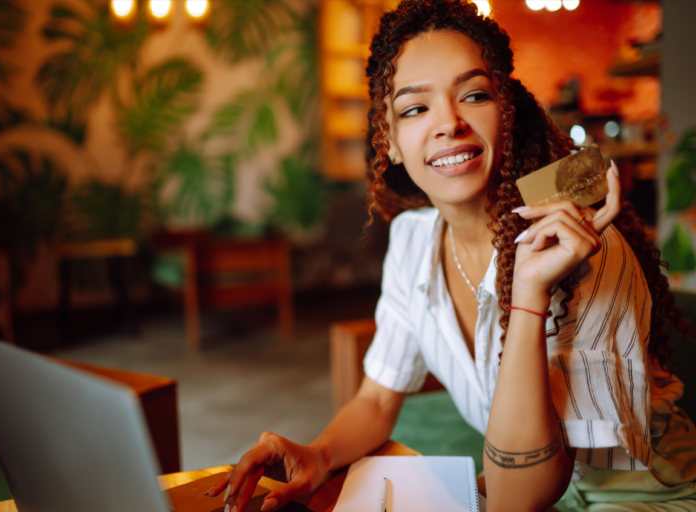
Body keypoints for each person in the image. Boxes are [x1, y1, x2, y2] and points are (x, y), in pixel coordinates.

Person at [205, 1, 696, 511]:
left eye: (474, 95)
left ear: (506, 115)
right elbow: (377, 398)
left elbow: (518, 498)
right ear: (390, 141)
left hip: (647, 500)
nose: (448, 123)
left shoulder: (580, 249)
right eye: (415, 108)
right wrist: (319, 454)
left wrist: (529, 295)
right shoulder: (413, 242)